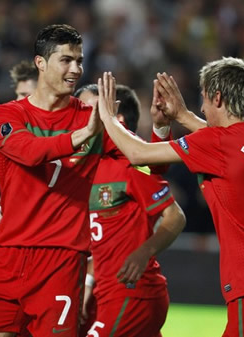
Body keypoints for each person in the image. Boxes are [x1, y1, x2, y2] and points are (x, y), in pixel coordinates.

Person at [97, 58, 244, 337]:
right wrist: (181, 115)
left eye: (204, 99)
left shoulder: (218, 145)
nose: (203, 108)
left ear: (218, 98)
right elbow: (223, 139)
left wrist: (107, 116)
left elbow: (138, 154)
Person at [0, 24, 114, 337]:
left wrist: (165, 127)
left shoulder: (94, 118)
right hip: (8, 255)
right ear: (40, 63)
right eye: (66, 60)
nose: (76, 69)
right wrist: (83, 134)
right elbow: (29, 152)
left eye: (79, 60)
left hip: (60, 260)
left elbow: (140, 157)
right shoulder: (7, 115)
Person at [76, 84, 185, 337]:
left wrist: (144, 251)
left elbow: (175, 216)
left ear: (115, 118)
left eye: (88, 110)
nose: (79, 118)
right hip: (110, 294)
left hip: (133, 293)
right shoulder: (88, 165)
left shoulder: (129, 165)